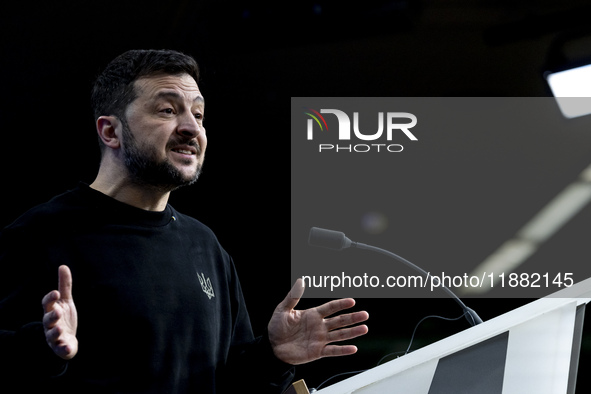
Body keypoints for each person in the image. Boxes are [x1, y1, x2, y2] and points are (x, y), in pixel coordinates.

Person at [0, 49, 369, 393]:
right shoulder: (38, 236)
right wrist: (42, 348)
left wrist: (272, 355)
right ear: (110, 131)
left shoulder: (204, 246)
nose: (191, 128)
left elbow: (229, 383)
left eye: (198, 114)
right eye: (167, 110)